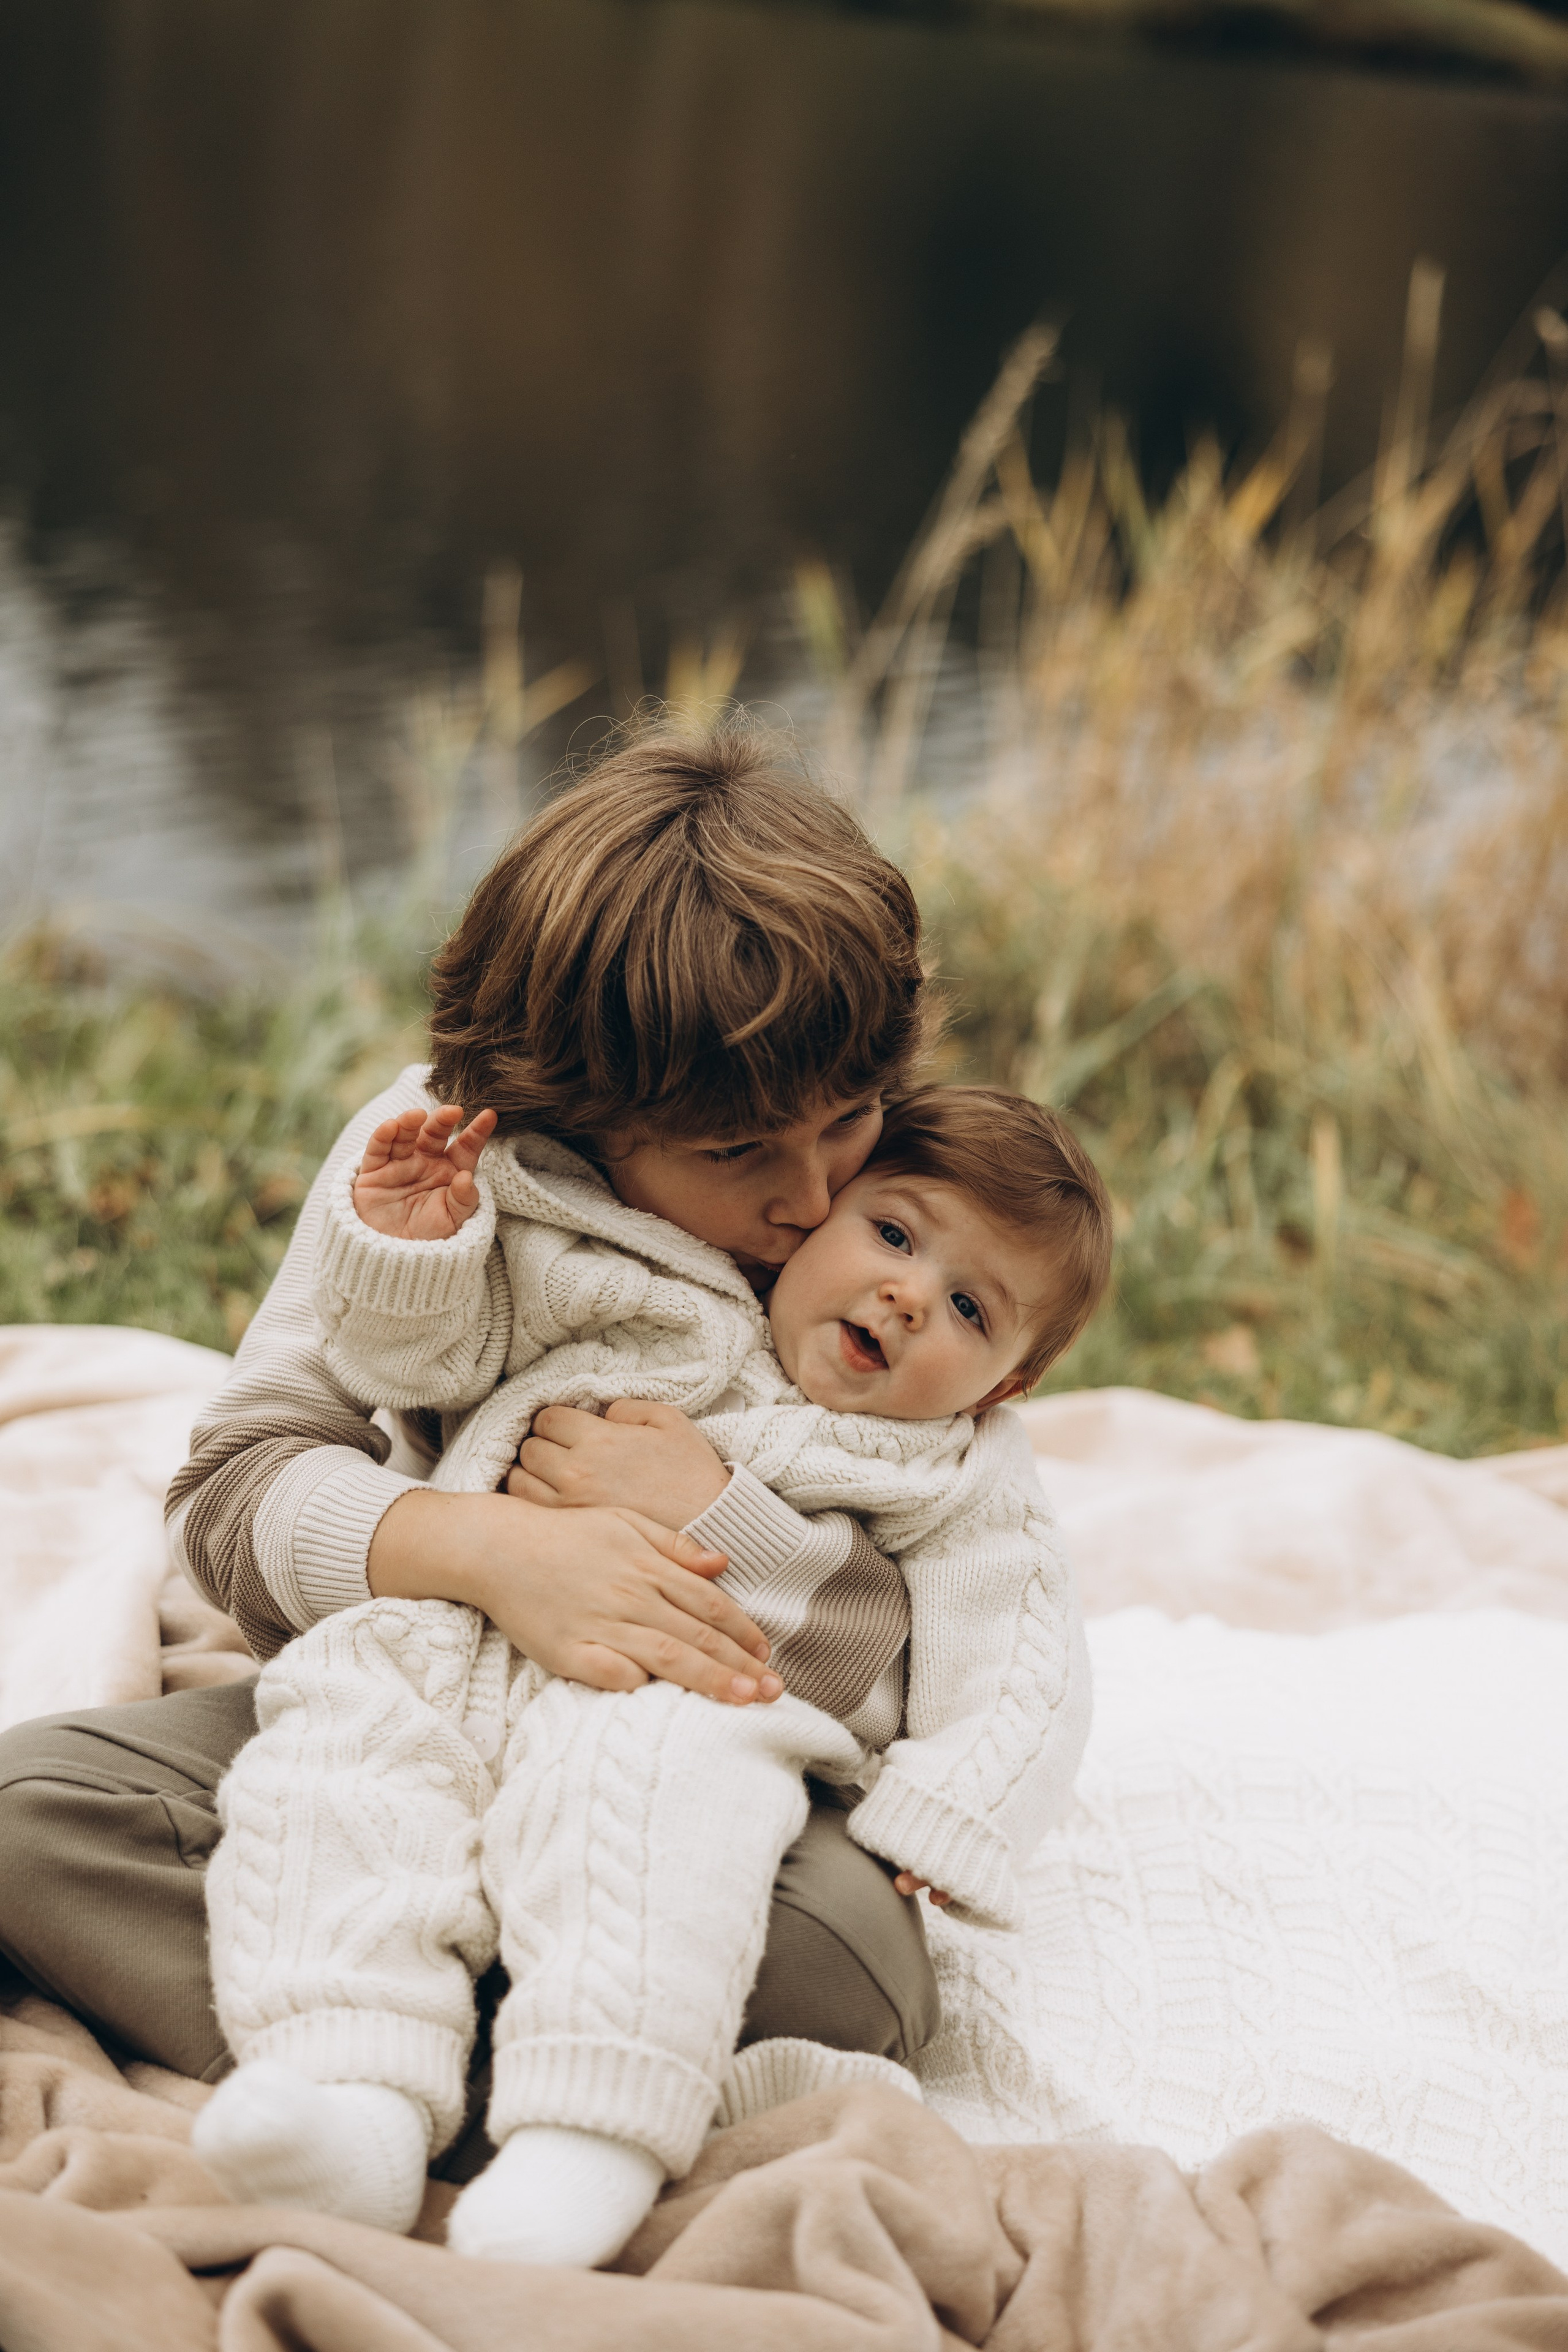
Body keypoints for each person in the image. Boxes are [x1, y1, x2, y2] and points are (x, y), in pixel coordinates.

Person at [0, 718, 939, 2133]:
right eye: (737, 1155)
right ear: (562, 1110)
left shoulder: (902, 1229)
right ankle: (458, 2062)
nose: (809, 1196)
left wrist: (714, 1525)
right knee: (19, 1810)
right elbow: (233, 1495)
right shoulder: (431, 1165)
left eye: (849, 1118)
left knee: (848, 1972)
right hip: (411, 1709)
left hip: (693, 1770)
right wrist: (487, 1550)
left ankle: (436, 2062)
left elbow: (942, 1600)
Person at [190, 1080, 1107, 2267]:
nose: (907, 1295)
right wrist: (412, 1254)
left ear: (1007, 1385)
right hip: (457, 1640)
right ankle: (352, 2098)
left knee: (647, 1811)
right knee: (337, 1769)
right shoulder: (645, 1293)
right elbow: (419, 1356)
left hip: (690, 1703)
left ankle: (592, 2129)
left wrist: (937, 1825)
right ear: (815, 1228)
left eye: (971, 1311)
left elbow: (1025, 1665)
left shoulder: (951, 1468)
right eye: (892, 1234)